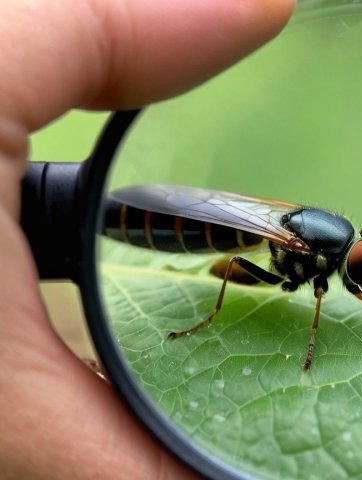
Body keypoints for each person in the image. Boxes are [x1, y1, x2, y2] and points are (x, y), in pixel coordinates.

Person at [0, 0, 294, 477]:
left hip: (210, 224)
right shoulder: (298, 249)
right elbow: (236, 263)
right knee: (233, 260)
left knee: (234, 260)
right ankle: (209, 313)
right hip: (187, 220)